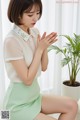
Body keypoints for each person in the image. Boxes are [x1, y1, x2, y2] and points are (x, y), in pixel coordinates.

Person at [2, 0, 78, 120]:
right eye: (30, 15)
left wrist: (44, 48)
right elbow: (27, 80)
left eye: (38, 13)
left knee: (72, 105)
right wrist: (39, 49)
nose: (35, 18)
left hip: (34, 97)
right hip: (17, 105)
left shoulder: (34, 32)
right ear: (17, 14)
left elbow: (44, 67)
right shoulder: (11, 41)